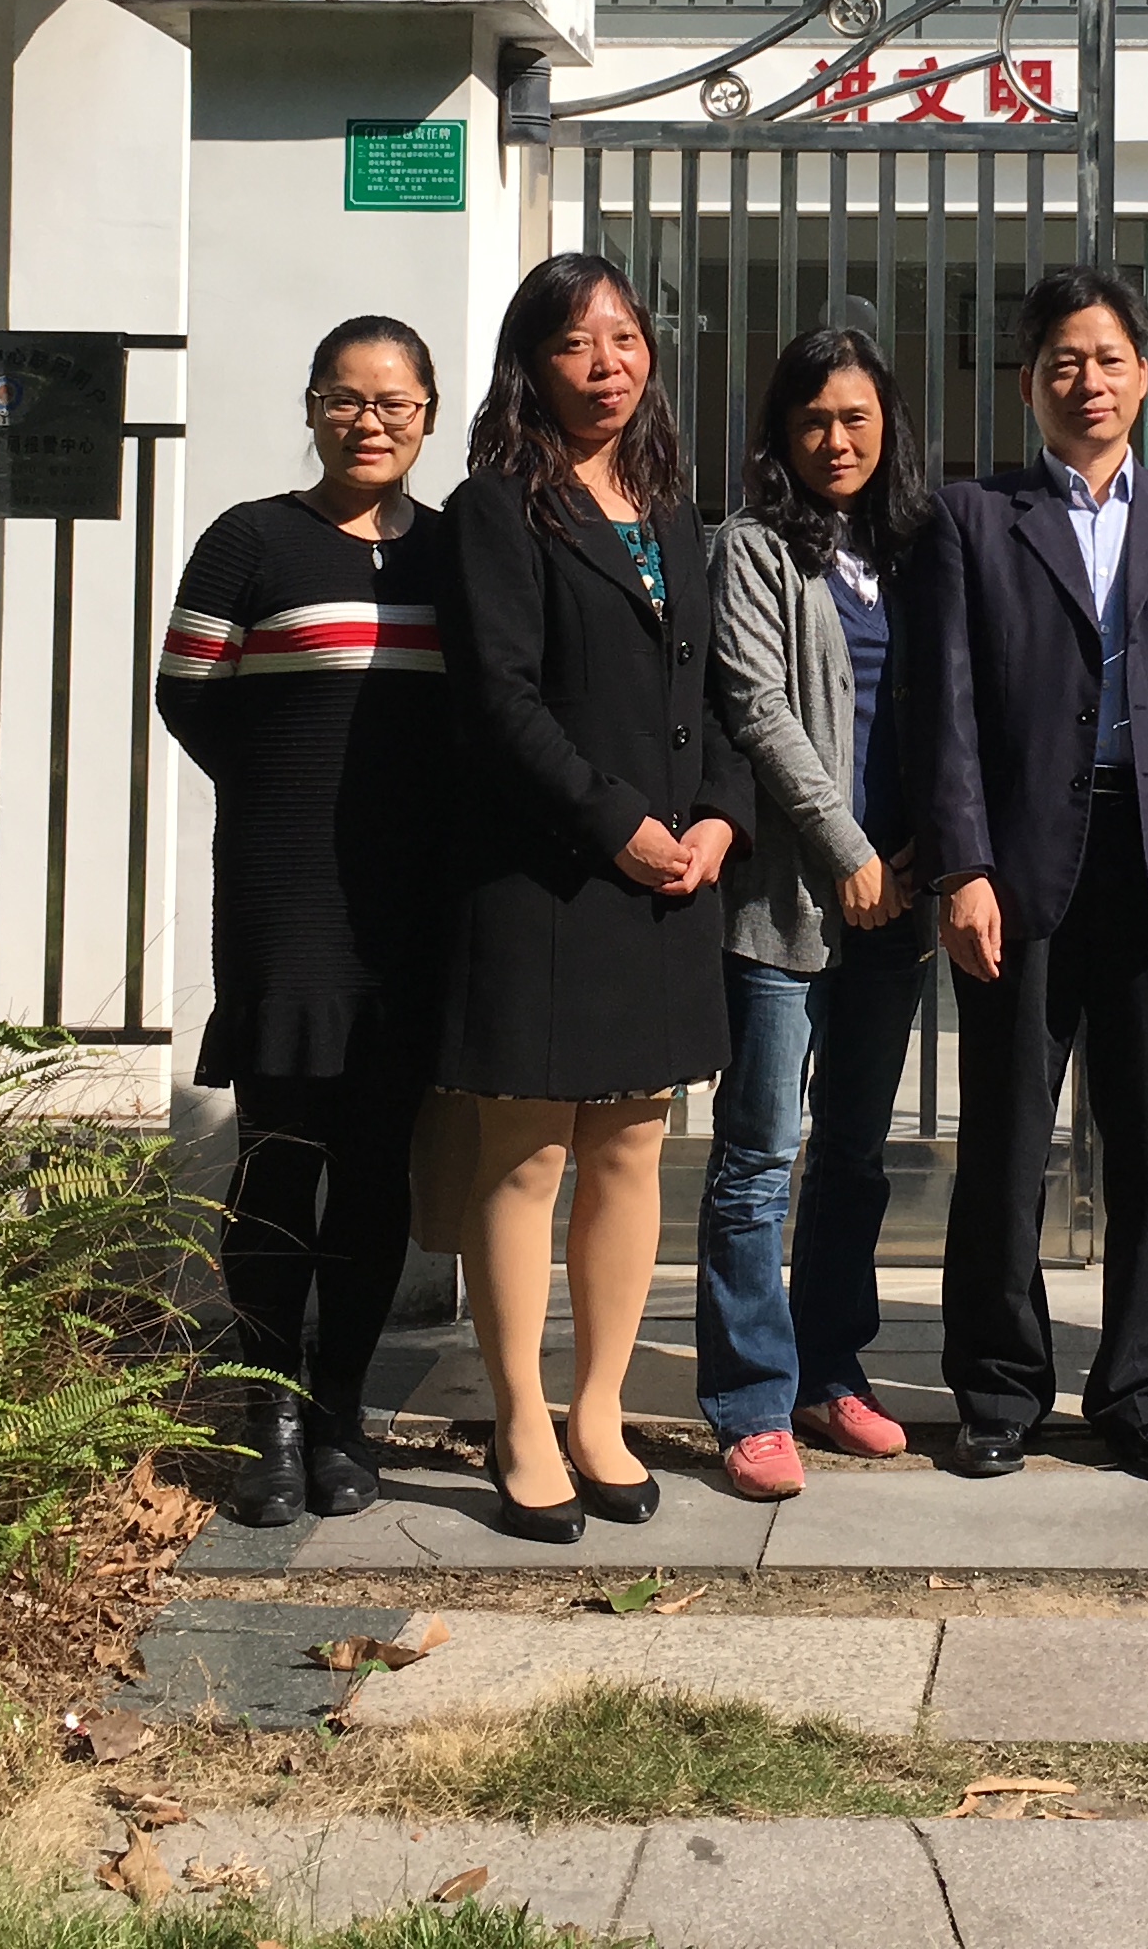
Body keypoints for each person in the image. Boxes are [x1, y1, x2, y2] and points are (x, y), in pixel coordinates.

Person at [907, 261, 1148, 1485]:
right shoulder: (973, 518)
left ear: (1144, 376)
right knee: (1006, 1141)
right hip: (1019, 871)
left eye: (1109, 358)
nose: (1088, 380)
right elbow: (944, 711)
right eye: (1064, 361)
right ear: (1029, 383)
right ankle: (999, 1390)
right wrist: (961, 866)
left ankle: (1145, 1393)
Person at [442, 254, 750, 1541]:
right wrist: (615, 822)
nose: (606, 363)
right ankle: (521, 1419)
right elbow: (498, 701)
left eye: (623, 337)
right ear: (531, 363)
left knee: (631, 1146)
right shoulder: (495, 509)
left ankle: (600, 1411)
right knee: (527, 1156)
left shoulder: (672, 509)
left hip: (666, 882)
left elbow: (712, 690)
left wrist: (720, 813)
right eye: (575, 343)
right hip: (545, 876)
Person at [155, 315, 453, 1527]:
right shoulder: (251, 540)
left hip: (412, 899)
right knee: (280, 1154)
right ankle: (268, 1414)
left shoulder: (453, 553)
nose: (368, 421)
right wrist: (286, 789)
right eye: (345, 398)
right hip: (285, 893)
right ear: (314, 407)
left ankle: (341, 1410)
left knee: (378, 1164)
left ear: (428, 415)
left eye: (393, 402)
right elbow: (187, 692)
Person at [695, 325, 941, 1500]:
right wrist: (847, 853)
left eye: (855, 417)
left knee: (854, 1154)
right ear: (780, 434)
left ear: (888, 422)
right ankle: (750, 1400)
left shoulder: (918, 549)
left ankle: (829, 1371)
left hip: (902, 898)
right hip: (786, 904)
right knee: (759, 1155)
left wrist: (924, 853)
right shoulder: (751, 549)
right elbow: (756, 708)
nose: (836, 440)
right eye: (812, 421)